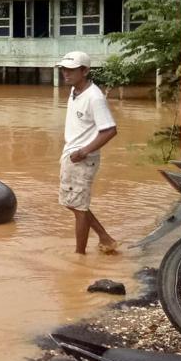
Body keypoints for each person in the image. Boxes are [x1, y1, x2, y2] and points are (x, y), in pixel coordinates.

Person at [57, 51, 119, 255]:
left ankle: (79, 254)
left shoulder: (94, 98)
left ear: (84, 71)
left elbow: (110, 130)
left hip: (82, 159)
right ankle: (105, 238)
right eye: (64, 69)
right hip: (71, 154)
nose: (66, 73)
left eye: (71, 70)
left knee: (79, 207)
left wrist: (84, 151)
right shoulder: (75, 91)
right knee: (72, 203)